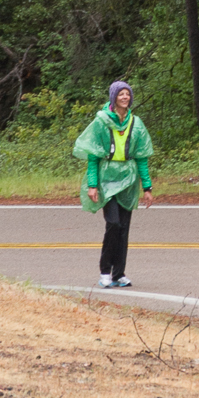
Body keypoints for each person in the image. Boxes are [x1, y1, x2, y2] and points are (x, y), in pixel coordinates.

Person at [73, 80, 154, 287]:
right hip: (107, 179)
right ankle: (104, 271)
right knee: (113, 224)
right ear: (113, 97)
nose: (125, 97)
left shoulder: (136, 123)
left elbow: (142, 158)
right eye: (121, 94)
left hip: (128, 179)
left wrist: (147, 187)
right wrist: (92, 185)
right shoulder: (101, 122)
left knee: (124, 227)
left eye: (127, 94)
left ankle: (119, 274)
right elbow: (93, 157)